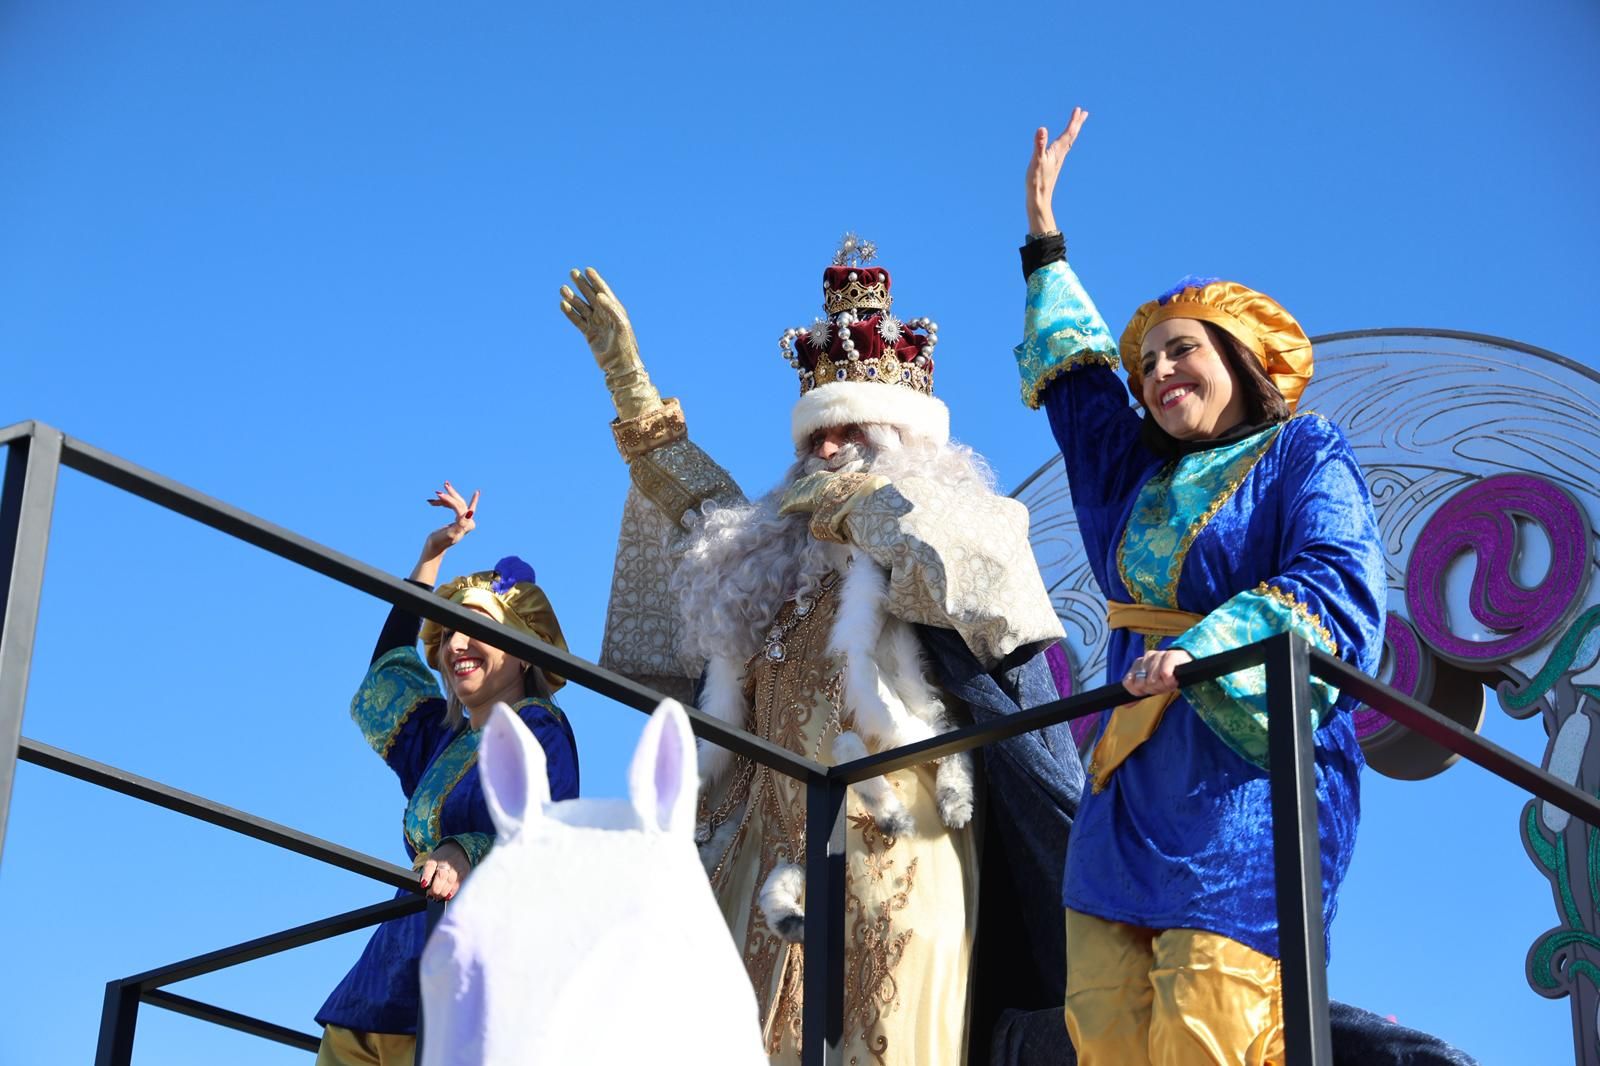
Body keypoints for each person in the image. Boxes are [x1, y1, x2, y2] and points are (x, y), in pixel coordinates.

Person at [559, 242, 1073, 1064]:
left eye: (851, 431)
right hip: (765, 849)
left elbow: (970, 585)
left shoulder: (961, 518)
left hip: (896, 843)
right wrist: (629, 377)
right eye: (817, 435)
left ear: (900, 437)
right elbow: (695, 503)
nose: (827, 450)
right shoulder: (773, 557)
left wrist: (849, 507)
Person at [1013, 109, 1387, 1066]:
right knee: (1102, 1024)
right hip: (1132, 783)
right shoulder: (1128, 476)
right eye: (1150, 362)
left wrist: (1203, 651)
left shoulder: (1301, 451)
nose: (1158, 370)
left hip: (1247, 778)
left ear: (1242, 361)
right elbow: (1081, 383)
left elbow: (1338, 588)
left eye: (1183, 349)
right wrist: (1045, 240)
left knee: (1212, 1028)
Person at [314, 483, 580, 1066]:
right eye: (449, 630)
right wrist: (431, 558)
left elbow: (546, 836)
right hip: (382, 982)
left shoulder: (541, 728)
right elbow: (388, 666)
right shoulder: (438, 737)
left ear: (526, 649)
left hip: (472, 983)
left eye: (478, 628)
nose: (457, 642)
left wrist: (465, 849)